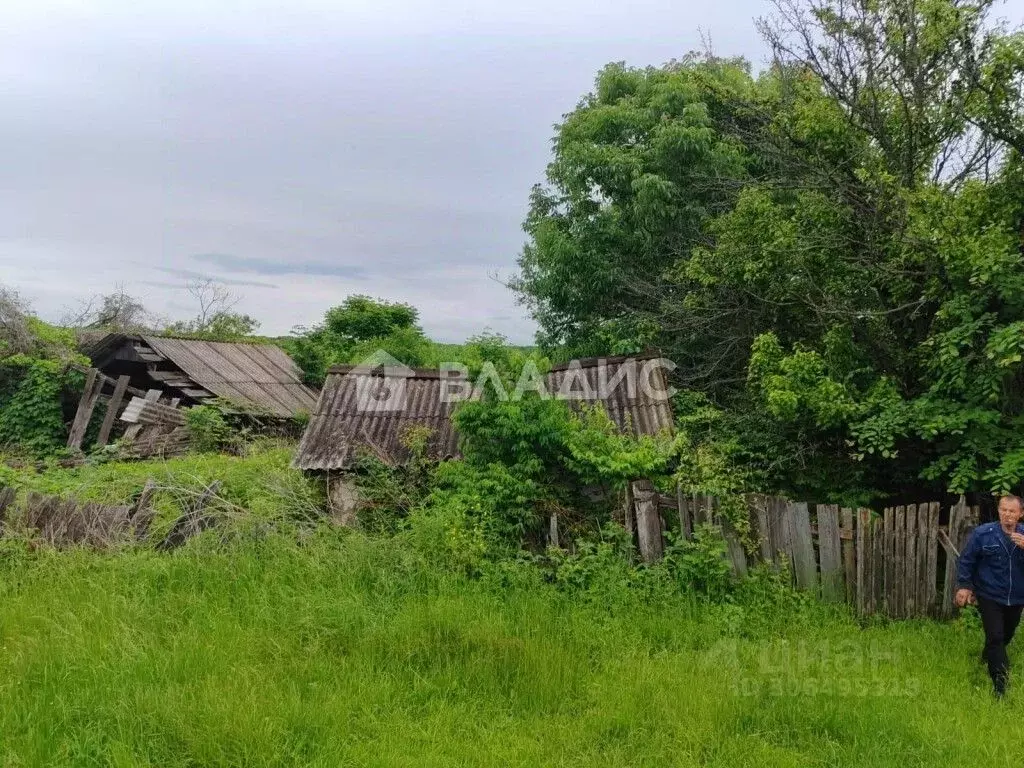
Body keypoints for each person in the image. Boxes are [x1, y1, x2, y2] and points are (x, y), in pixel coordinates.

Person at [956, 495, 1024, 697]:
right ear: (999, 511)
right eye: (1003, 510)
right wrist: (964, 586)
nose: (1007, 514)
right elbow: (967, 560)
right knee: (995, 636)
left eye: (1012, 511)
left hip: (1018, 596)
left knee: (1007, 634)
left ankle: (988, 655)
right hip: (990, 594)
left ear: (1020, 514)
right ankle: (1000, 684)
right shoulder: (983, 534)